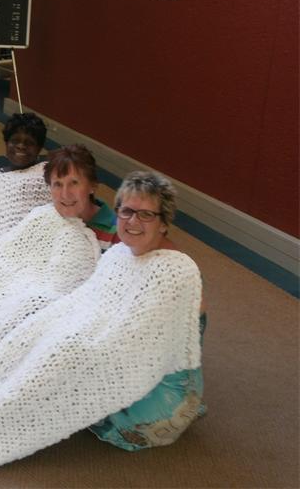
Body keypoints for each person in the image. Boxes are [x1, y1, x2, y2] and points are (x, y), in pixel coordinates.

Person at [89, 171, 206, 450]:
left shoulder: (174, 270)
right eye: (127, 211)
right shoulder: (119, 254)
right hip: (133, 365)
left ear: (164, 223)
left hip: (163, 391)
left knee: (83, 402)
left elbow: (135, 346)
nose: (133, 221)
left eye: (146, 215)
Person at [44, 144, 120, 252]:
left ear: (93, 186)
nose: (65, 194)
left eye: (74, 183)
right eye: (58, 184)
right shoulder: (44, 218)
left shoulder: (118, 231)